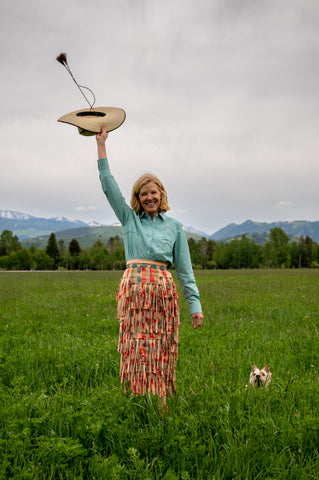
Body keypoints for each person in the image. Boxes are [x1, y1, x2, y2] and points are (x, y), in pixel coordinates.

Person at [96, 126, 204, 405]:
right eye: (144, 194)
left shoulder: (175, 227)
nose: (150, 198)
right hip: (134, 292)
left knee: (162, 347)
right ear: (138, 197)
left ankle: (161, 402)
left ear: (161, 194)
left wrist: (195, 306)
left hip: (162, 293)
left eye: (153, 192)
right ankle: (135, 402)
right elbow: (109, 186)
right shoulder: (129, 219)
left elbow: (184, 269)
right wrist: (101, 146)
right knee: (135, 347)